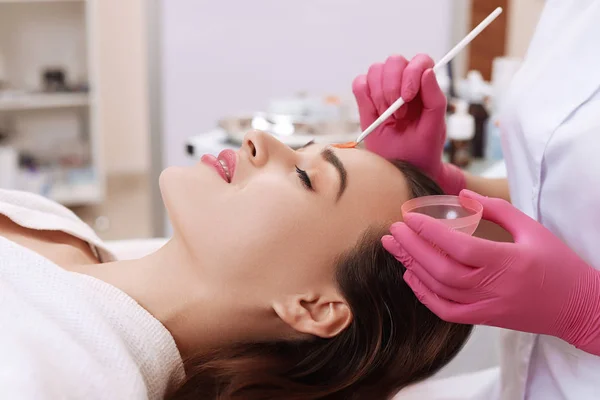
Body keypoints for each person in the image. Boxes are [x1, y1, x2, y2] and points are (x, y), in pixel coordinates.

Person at [0, 130, 472, 400]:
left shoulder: (58, 375)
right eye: (300, 144)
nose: (257, 139)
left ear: (313, 306)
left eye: (305, 177)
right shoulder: (62, 230)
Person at [352, 1, 600, 398]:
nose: (255, 144)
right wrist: (445, 185)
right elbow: (557, 195)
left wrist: (590, 312)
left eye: (307, 178)